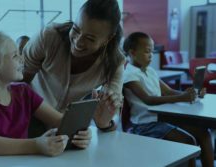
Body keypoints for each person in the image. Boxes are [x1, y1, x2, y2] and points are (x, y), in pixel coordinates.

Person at [0, 31, 91, 156]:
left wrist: (82, 132)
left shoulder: (24, 91)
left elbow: (61, 121)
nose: (22, 58)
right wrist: (35, 145)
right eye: (15, 55)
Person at [23, 0, 125, 135]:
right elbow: (18, 82)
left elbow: (113, 112)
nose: (78, 42)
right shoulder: (49, 36)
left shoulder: (114, 61)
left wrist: (105, 122)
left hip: (67, 127)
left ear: (108, 38)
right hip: (29, 116)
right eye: (76, 29)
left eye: (90, 38)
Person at [122, 32, 214, 167]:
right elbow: (148, 100)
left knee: (204, 134)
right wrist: (181, 97)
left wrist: (192, 94)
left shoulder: (150, 71)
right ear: (132, 52)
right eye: (147, 51)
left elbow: (168, 91)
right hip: (145, 125)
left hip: (163, 118)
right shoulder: (129, 74)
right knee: (188, 142)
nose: (151, 55)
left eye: (152, 51)